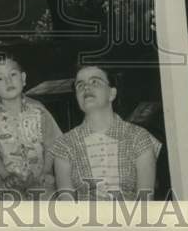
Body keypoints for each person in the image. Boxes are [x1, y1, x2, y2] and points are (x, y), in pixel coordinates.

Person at [52, 65, 160, 200]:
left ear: (112, 93)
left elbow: (145, 202)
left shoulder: (139, 137)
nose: (86, 88)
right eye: (80, 85)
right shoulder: (64, 144)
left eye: (94, 82)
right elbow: (66, 206)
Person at [0, 54, 62, 196]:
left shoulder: (39, 110)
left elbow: (51, 145)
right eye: (0, 78)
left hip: (39, 176)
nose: (8, 81)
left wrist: (47, 171)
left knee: (50, 202)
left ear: (23, 79)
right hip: (5, 178)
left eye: (13, 74)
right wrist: (6, 176)